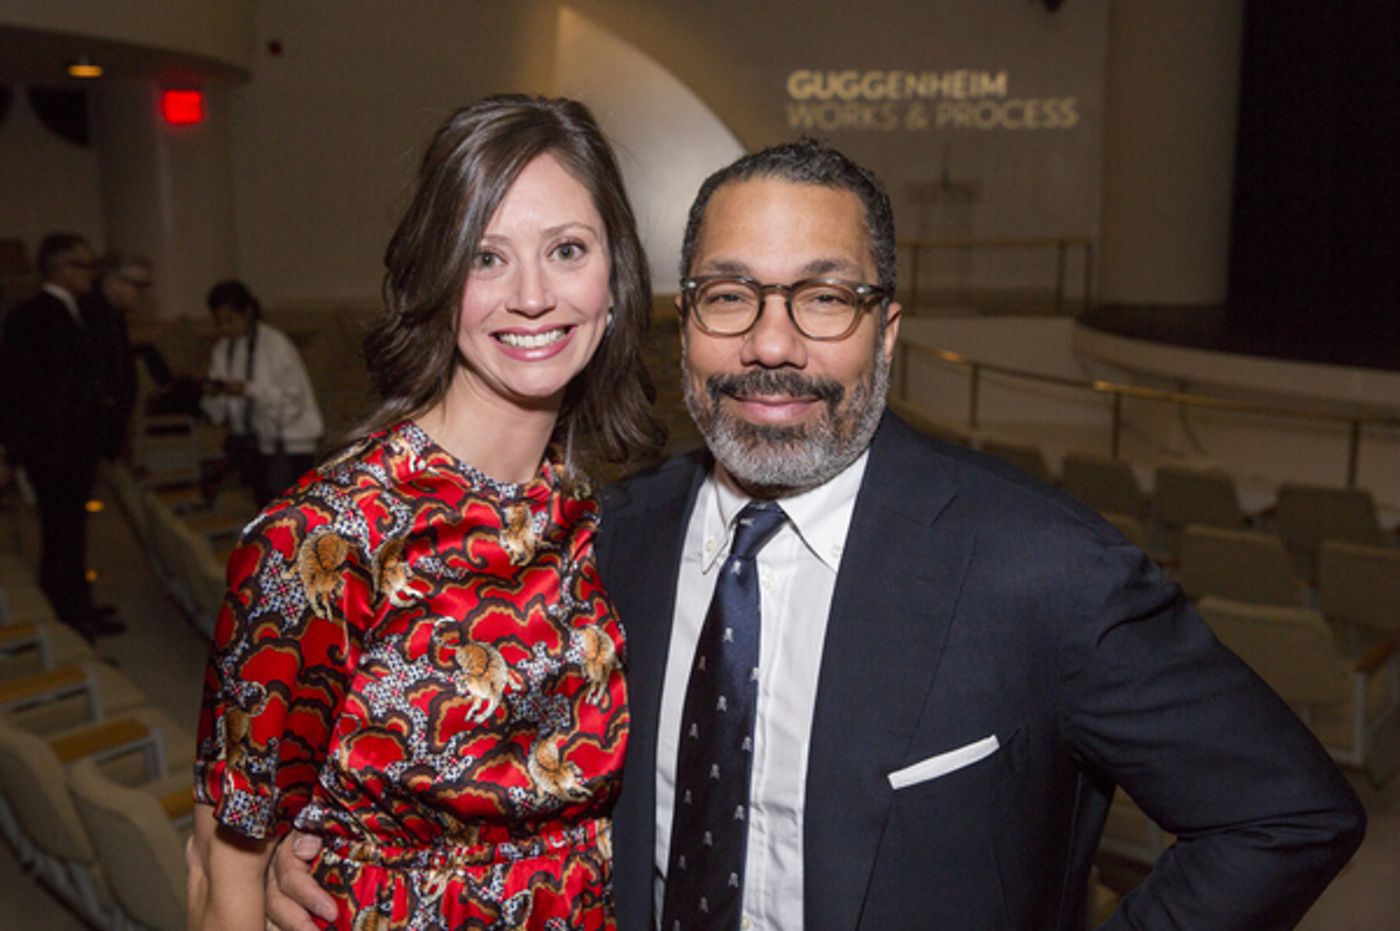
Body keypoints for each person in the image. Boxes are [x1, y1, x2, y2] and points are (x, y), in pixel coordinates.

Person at [269, 138, 1366, 930]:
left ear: (886, 331)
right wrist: (331, 844)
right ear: (682, 322)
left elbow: (1284, 816)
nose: (773, 346)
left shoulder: (1044, 568)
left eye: (824, 299)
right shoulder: (608, 541)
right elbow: (489, 763)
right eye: (730, 296)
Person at [187, 95, 664, 930]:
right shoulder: (327, 540)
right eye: (485, 257)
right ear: (437, 282)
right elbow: (223, 872)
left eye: (567, 249)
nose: (532, 295)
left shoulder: (610, 523)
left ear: (617, 278)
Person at [0, 232, 125, 639]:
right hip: (54, 451)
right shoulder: (33, 315)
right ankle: (67, 621)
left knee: (73, 535)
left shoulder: (78, 310)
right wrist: (15, 452)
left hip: (75, 446)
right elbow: (24, 391)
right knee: (60, 537)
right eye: (83, 265)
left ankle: (80, 607)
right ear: (58, 269)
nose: (92, 274)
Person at [200, 279, 325, 505]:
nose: (226, 328)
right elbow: (218, 413)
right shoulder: (222, 349)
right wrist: (215, 394)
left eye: (231, 320)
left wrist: (248, 390)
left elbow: (292, 404)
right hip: (254, 444)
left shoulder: (276, 345)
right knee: (263, 512)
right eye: (220, 323)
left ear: (247, 312)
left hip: (289, 444)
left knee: (293, 514)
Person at [81, 250, 150, 460]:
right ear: (112, 281)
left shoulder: (114, 315)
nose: (142, 293)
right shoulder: (91, 315)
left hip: (111, 425)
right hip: (93, 427)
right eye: (138, 285)